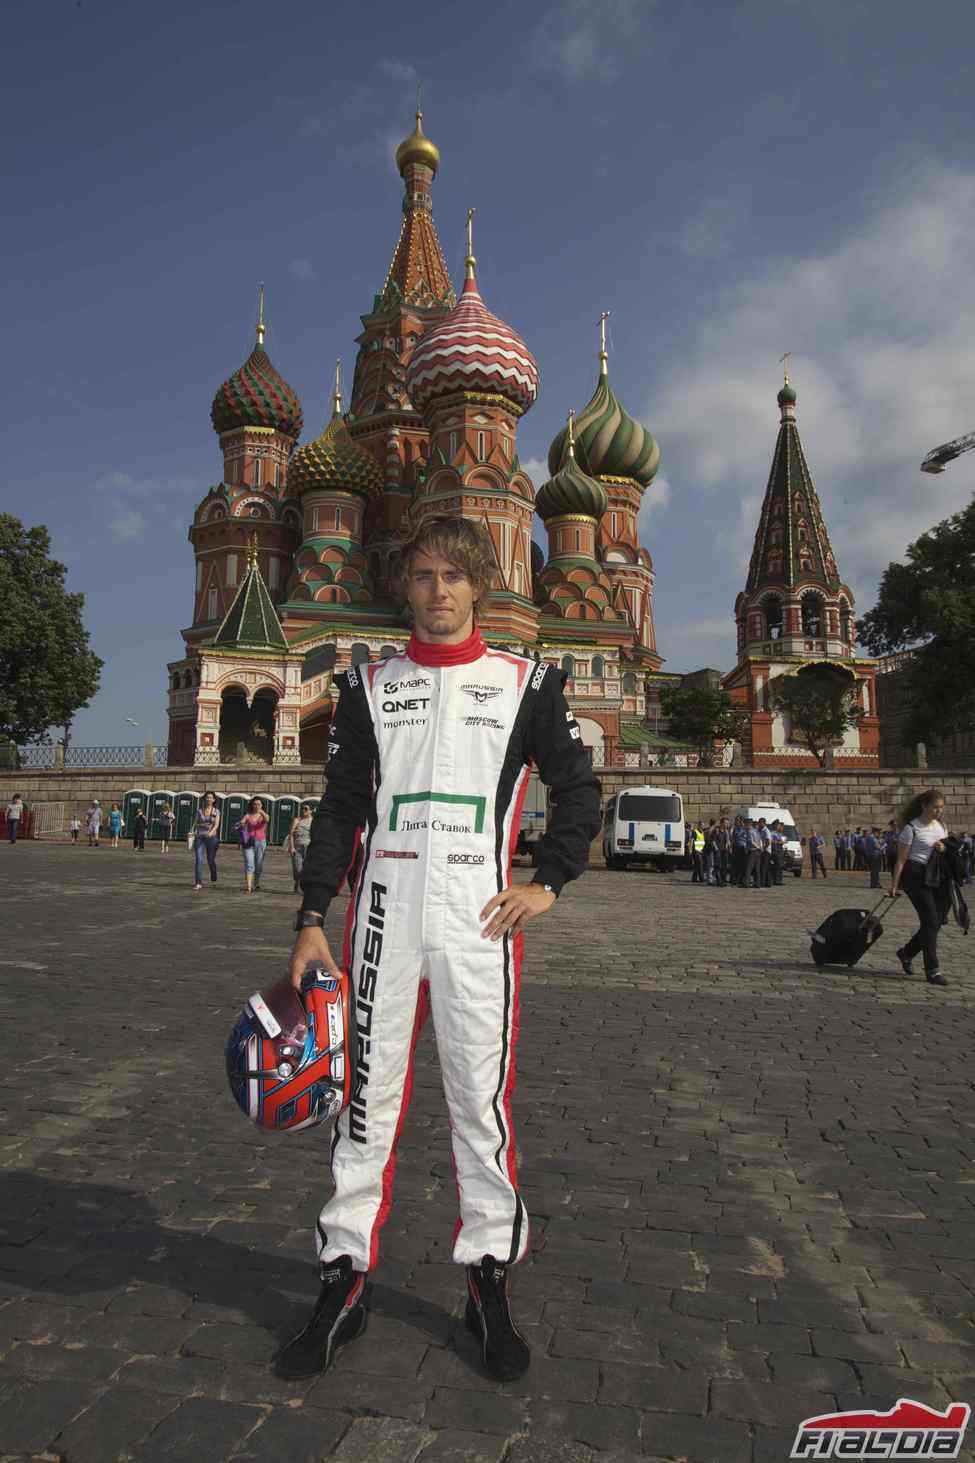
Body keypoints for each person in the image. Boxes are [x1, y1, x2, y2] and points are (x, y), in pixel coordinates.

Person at [277, 514, 601, 1384]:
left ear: (478, 585)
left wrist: (549, 883)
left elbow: (579, 792)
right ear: (405, 587)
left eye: (453, 576)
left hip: (478, 919)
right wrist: (312, 913)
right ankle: (343, 1276)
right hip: (381, 916)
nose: (438, 591)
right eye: (422, 576)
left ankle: (486, 1276)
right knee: (362, 1101)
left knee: (479, 1104)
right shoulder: (367, 686)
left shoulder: (527, 681)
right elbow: (341, 807)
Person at [891, 788, 950, 987]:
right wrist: (894, 885)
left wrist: (944, 847)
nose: (938, 811)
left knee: (935, 922)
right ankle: (933, 970)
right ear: (924, 806)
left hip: (936, 876)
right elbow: (901, 860)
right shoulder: (911, 828)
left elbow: (946, 849)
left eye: (941, 808)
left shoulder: (941, 826)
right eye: (935, 807)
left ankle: (906, 953)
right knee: (931, 921)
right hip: (915, 877)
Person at [239, 797, 270, 893]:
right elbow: (242, 822)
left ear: (262, 806)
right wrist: (242, 823)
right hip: (249, 841)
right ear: (252, 805)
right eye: (255, 804)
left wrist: (261, 811)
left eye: (259, 804)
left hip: (260, 842)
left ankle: (256, 882)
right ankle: (248, 886)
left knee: (259, 865)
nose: (256, 806)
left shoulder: (263, 815)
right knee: (249, 863)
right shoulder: (248, 815)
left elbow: (267, 819)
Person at [193, 792, 220, 890]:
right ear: (205, 799)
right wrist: (196, 829)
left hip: (211, 838)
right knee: (199, 859)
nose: (209, 799)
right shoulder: (199, 811)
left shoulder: (216, 811)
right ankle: (198, 882)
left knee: (210, 860)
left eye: (210, 798)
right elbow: (196, 823)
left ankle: (213, 875)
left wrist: (211, 832)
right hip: (200, 837)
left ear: (214, 800)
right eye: (207, 797)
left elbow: (216, 824)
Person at [287, 802, 315, 894]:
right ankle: (297, 882)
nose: (303, 810)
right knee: (298, 868)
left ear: (311, 811)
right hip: (298, 846)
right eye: (302, 808)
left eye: (306, 809)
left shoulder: (314, 821)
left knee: (307, 869)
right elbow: (291, 834)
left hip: (309, 847)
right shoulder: (297, 820)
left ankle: (302, 887)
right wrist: (291, 847)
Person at [731, 815, 749, 887]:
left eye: (737, 820)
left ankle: (742, 880)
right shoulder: (735, 829)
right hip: (736, 848)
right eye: (736, 820)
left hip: (744, 848)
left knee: (743, 866)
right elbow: (733, 838)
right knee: (736, 865)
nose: (736, 822)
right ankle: (735, 880)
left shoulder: (745, 828)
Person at [713, 818, 731, 888]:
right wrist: (716, 849)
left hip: (725, 851)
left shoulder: (726, 831)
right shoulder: (716, 831)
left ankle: (723, 881)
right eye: (726, 823)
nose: (727, 824)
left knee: (724, 866)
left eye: (728, 823)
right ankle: (719, 881)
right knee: (718, 866)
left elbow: (728, 840)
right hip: (718, 851)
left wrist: (728, 846)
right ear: (721, 823)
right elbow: (713, 841)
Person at [769, 820, 786, 886]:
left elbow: (782, 840)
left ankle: (779, 880)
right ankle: (776, 880)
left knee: (781, 865)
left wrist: (783, 841)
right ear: (774, 825)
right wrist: (779, 842)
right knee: (778, 865)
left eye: (779, 825)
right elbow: (771, 841)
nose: (779, 826)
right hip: (775, 850)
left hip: (780, 850)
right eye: (778, 825)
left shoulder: (779, 833)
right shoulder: (772, 833)